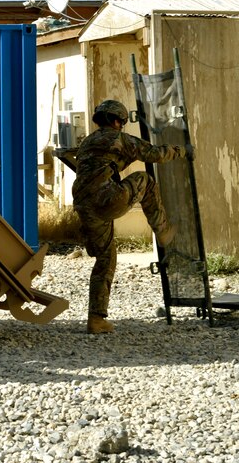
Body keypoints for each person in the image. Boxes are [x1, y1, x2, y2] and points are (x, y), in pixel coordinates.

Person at [72, 99, 192, 334]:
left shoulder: (87, 142)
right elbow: (154, 153)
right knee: (145, 181)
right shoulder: (119, 138)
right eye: (122, 122)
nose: (122, 126)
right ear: (116, 121)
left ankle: (96, 319)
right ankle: (163, 230)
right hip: (106, 199)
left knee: (104, 260)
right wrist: (182, 151)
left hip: (84, 206)